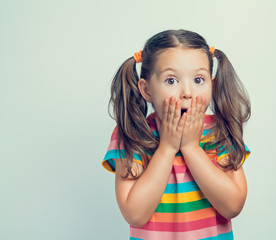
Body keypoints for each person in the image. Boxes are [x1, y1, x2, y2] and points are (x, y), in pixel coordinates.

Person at [102, 29, 251, 240]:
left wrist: (190, 147)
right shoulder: (133, 135)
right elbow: (135, 214)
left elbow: (232, 206)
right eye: (171, 81)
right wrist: (167, 148)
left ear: (212, 84)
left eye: (199, 80)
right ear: (146, 90)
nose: (187, 93)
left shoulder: (220, 132)